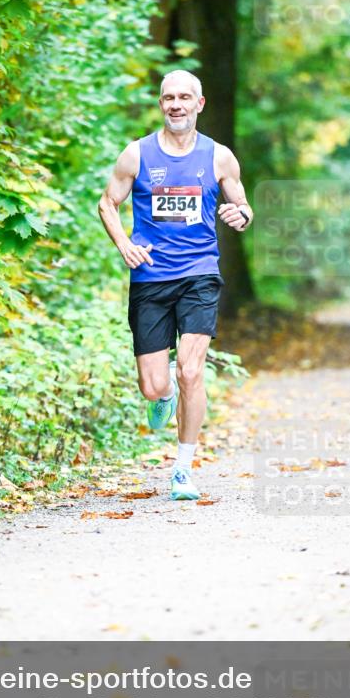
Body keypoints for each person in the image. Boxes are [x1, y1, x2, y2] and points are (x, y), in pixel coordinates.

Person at [98, 69, 253, 501]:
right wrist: (124, 244)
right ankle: (163, 390)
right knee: (153, 386)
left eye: (185, 97)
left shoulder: (219, 157)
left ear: (199, 104)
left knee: (191, 370)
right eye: (169, 98)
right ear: (161, 104)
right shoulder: (137, 154)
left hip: (199, 273)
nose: (176, 105)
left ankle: (183, 469)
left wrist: (241, 215)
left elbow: (243, 205)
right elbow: (107, 203)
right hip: (150, 275)